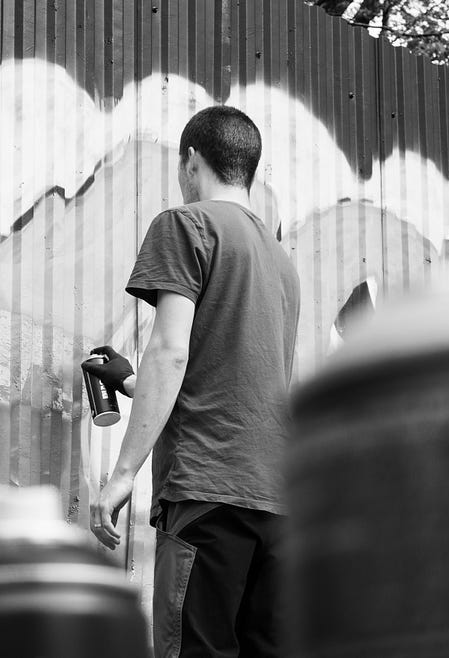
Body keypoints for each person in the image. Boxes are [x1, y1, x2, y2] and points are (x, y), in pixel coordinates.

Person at [82, 106, 300, 658]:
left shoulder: (186, 225)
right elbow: (238, 374)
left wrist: (122, 474)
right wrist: (133, 385)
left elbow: (171, 349)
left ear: (191, 162)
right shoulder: (280, 261)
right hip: (276, 502)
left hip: (207, 491)